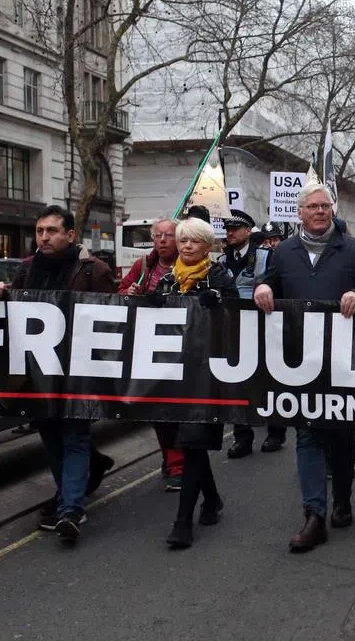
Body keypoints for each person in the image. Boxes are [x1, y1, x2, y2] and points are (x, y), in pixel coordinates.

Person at [253, 182, 355, 553]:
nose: (320, 211)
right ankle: (314, 514)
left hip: (343, 361)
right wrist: (262, 289)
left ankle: (342, 498)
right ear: (300, 213)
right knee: (308, 434)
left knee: (340, 435)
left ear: (332, 210)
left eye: (325, 206)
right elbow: (268, 284)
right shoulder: (283, 253)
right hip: (299, 361)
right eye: (312, 206)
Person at [0, 205, 116, 544]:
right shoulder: (27, 270)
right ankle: (71, 493)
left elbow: (110, 322)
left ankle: (71, 509)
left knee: (73, 436)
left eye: (52, 231)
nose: (43, 237)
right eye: (40, 231)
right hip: (38, 373)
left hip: (79, 373)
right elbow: (13, 313)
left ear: (70, 235)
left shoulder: (94, 270)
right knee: (51, 437)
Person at [153, 218, 240, 548]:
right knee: (192, 445)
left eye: (195, 242)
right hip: (175, 374)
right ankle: (213, 499)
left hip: (208, 375)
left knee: (192, 442)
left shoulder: (218, 276)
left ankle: (182, 522)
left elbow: (236, 316)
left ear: (208, 246)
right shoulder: (169, 280)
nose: (187, 246)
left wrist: (219, 304)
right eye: (183, 240)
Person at [117, 217, 185, 491]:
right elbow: (120, 291)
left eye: (169, 235)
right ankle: (171, 457)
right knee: (158, 409)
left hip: (181, 347)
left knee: (178, 409)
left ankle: (178, 463)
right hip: (150, 348)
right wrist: (129, 292)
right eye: (158, 235)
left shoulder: (188, 264)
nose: (163, 240)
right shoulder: (143, 266)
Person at [220, 208, 286, 458]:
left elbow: (278, 287)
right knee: (237, 383)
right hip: (234, 328)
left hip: (263, 324)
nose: (231, 233)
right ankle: (242, 437)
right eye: (228, 229)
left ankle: (276, 432)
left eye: (235, 229)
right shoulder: (221, 261)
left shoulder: (266, 257)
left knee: (269, 379)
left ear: (249, 231)